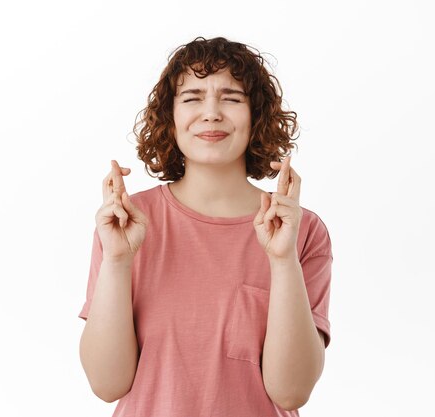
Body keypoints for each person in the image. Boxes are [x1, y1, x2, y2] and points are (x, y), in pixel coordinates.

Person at [78, 36, 333, 417]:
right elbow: (107, 384)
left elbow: (291, 391)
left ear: (256, 115)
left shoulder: (300, 230)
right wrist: (117, 261)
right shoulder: (127, 223)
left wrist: (283, 261)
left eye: (231, 98)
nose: (211, 113)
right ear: (171, 116)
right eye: (192, 98)